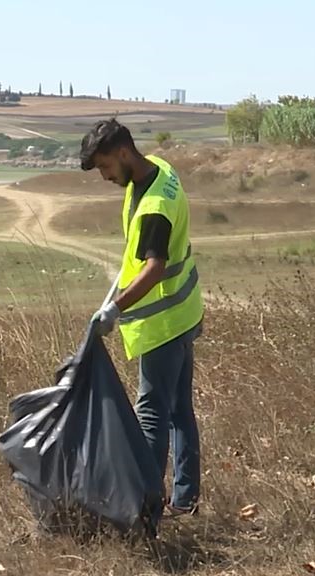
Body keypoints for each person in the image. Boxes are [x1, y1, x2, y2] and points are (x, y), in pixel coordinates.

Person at [81, 118, 204, 519]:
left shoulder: (154, 207)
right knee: (179, 410)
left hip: (162, 323)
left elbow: (154, 268)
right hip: (183, 311)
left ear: (123, 153)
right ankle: (185, 501)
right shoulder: (158, 170)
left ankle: (145, 511)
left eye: (105, 167)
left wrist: (116, 308)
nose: (105, 176)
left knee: (151, 415)